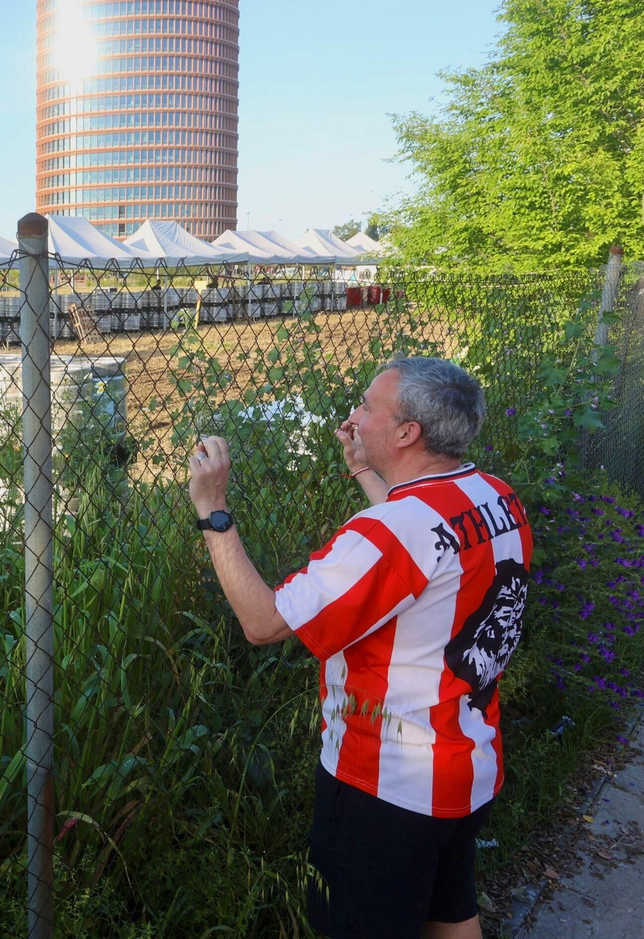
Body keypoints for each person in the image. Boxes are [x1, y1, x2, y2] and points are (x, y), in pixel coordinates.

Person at [186, 357, 529, 939]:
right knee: (449, 911)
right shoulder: (493, 495)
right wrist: (367, 475)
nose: (354, 415)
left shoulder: (389, 534)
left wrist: (213, 511)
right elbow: (422, 553)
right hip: (468, 762)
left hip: (386, 785)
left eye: (368, 405)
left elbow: (264, 623)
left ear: (406, 433)